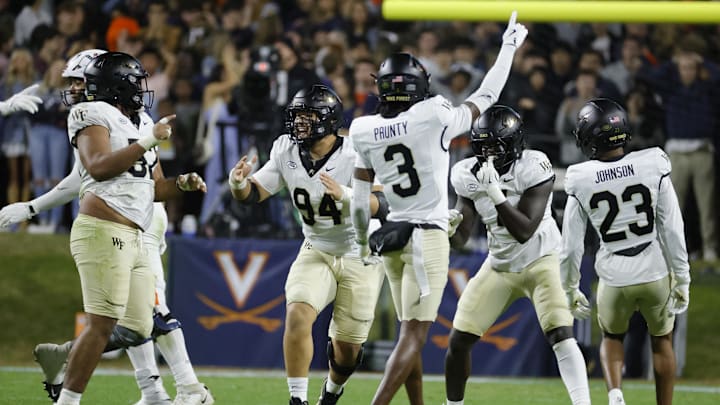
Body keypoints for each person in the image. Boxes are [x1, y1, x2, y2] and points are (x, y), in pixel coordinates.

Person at [0, 49, 213, 405]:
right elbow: (96, 167)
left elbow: (154, 185)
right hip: (103, 229)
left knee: (141, 325)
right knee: (102, 324)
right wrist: (149, 141)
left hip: (138, 231)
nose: (140, 89)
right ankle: (72, 400)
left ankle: (78, 360)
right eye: (133, 82)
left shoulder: (143, 120)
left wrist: (183, 183)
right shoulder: (90, 112)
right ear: (116, 85)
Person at [349, 11, 528, 405]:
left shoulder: (362, 129)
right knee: (415, 336)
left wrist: (363, 242)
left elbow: (361, 200)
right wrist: (509, 46)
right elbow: (486, 97)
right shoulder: (433, 115)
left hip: (390, 236)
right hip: (426, 238)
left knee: (406, 335)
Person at [228, 84, 388, 405]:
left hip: (361, 253)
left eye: (308, 117)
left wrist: (347, 196)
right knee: (298, 313)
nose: (300, 123)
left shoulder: (357, 151)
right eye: (297, 116)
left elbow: (383, 205)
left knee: (346, 352)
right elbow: (255, 193)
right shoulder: (286, 149)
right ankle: (297, 400)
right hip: (316, 247)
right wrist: (238, 183)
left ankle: (331, 392)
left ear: (328, 120)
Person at [443, 106, 591, 405]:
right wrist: (448, 228)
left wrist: (496, 194)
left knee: (560, 334)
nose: (488, 154)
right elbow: (462, 238)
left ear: (512, 144)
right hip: (500, 266)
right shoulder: (466, 173)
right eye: (482, 146)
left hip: (543, 259)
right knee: (458, 342)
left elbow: (524, 229)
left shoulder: (534, 165)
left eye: (494, 146)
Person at [560, 98, 691, 405]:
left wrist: (569, 287)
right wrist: (682, 277)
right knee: (662, 342)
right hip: (654, 270)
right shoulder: (653, 162)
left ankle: (616, 393)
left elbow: (570, 246)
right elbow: (672, 228)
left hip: (613, 275)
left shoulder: (580, 177)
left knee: (612, 337)